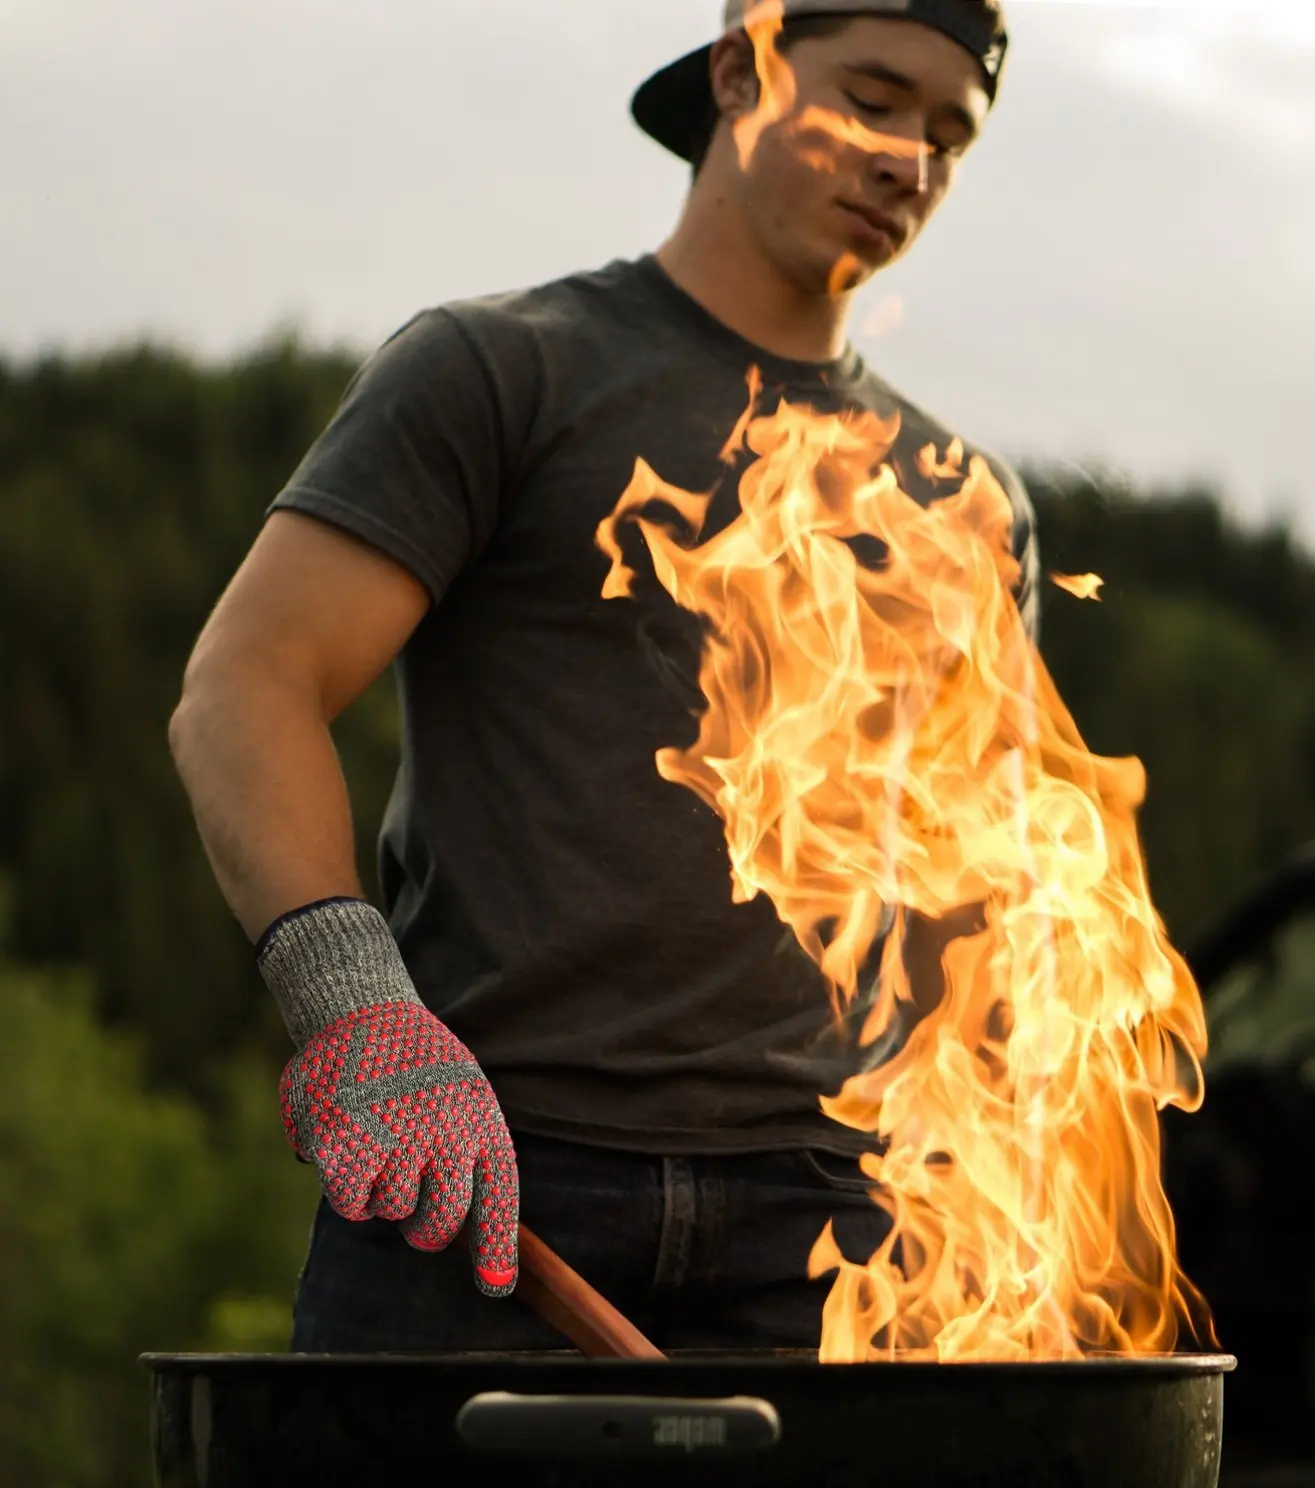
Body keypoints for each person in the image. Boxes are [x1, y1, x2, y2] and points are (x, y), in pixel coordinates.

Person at [170, 0, 1038, 1354]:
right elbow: (246, 687)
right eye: (874, 97)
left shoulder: (962, 503)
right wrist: (359, 1012)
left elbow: (961, 894)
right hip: (484, 1186)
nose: (909, 161)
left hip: (824, 1233)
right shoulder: (499, 371)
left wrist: (965, 1183)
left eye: (949, 135)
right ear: (741, 72)